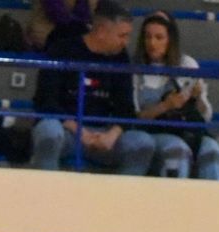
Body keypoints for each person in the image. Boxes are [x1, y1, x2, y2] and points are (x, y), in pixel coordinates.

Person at [30, 1, 155, 174]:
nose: (125, 42)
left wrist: (111, 135)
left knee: (142, 143)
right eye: (122, 36)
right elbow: (46, 102)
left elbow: (126, 108)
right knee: (48, 131)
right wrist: (80, 132)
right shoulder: (62, 50)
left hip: (103, 134)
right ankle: (45, 192)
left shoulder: (121, 58)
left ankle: (123, 197)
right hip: (68, 131)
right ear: (102, 31)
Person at [130, 12, 219, 180]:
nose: (152, 43)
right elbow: (134, 117)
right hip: (155, 131)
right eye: (148, 37)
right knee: (177, 151)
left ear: (170, 39)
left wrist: (198, 98)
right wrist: (165, 106)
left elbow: (205, 115)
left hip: (187, 129)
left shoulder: (187, 64)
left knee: (213, 150)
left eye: (159, 38)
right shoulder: (135, 69)